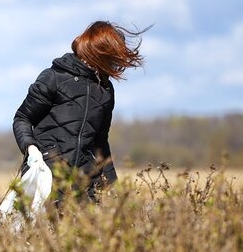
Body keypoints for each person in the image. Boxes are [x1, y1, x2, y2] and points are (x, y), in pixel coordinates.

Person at [12, 21, 147, 204]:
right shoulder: (53, 78)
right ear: (99, 51)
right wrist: (32, 150)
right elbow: (22, 119)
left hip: (86, 185)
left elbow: (100, 143)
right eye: (113, 58)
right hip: (47, 177)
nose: (116, 64)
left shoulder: (105, 90)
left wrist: (113, 189)